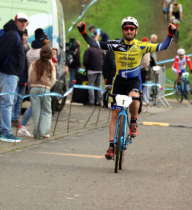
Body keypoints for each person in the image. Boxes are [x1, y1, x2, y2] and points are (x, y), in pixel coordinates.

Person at [77, 17, 177, 159]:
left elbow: (163, 46)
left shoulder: (142, 46)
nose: (129, 31)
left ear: (136, 31)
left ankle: (134, 121)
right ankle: (111, 146)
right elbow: (94, 43)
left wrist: (170, 34)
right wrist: (83, 32)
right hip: (119, 82)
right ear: (122, 30)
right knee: (115, 113)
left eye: (131, 29)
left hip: (134, 81)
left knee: (134, 99)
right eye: (126, 28)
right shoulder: (116, 44)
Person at [0, 12, 27, 143]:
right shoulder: (12, 35)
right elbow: (2, 54)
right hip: (8, 73)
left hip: (11, 73)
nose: (23, 24)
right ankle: (4, 132)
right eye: (21, 21)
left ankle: (1, 131)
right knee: (7, 103)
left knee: (6, 102)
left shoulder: (15, 34)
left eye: (25, 22)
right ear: (16, 21)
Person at [19, 28, 51, 132]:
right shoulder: (41, 52)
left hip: (30, 80)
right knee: (39, 106)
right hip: (41, 82)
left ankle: (29, 126)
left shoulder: (30, 51)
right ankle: (35, 128)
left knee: (35, 105)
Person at [28, 45, 56, 138]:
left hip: (34, 88)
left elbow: (29, 77)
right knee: (47, 111)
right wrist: (49, 86)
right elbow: (53, 79)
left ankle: (36, 133)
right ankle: (44, 131)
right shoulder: (50, 64)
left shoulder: (34, 63)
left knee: (36, 112)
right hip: (45, 89)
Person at [11, 29, 33, 137]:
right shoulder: (17, 46)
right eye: (22, 35)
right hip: (16, 76)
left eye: (25, 35)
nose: (24, 37)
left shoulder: (28, 48)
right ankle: (11, 118)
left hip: (24, 78)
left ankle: (15, 118)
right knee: (13, 99)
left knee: (20, 99)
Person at [141, 37, 151, 104]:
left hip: (143, 69)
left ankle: (143, 99)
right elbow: (146, 62)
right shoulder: (146, 50)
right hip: (143, 69)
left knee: (143, 85)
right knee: (143, 85)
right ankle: (143, 99)